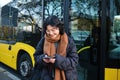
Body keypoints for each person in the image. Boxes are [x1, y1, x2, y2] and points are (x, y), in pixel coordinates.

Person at [32, 15, 79, 80]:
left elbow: (74, 61)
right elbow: (36, 57)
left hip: (65, 77)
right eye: (48, 30)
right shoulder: (43, 40)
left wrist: (57, 60)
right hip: (45, 77)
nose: (50, 33)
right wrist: (42, 59)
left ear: (59, 28)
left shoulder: (69, 41)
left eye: (53, 30)